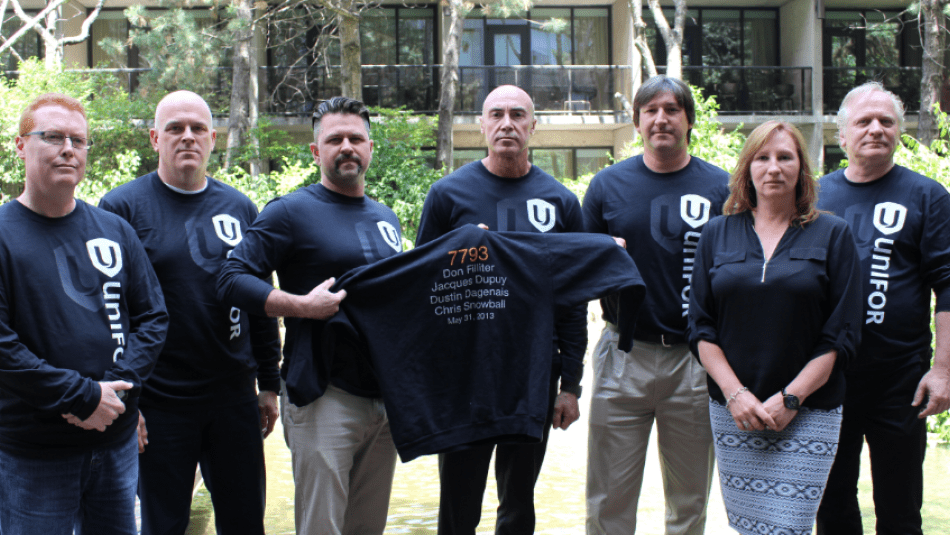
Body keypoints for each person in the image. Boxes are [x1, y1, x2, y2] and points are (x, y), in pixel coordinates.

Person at [99, 90, 281, 535]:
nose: (187, 138)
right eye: (175, 129)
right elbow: (109, 316)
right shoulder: (120, 209)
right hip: (159, 402)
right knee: (164, 525)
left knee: (244, 524)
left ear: (213, 139)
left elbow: (257, 300)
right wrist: (127, 401)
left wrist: (270, 385)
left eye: (198, 129)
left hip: (233, 398)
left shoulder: (240, 208)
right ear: (154, 139)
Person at [217, 96, 401, 535]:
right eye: (334, 139)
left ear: (370, 148)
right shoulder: (290, 211)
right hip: (324, 396)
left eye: (356, 138)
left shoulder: (385, 217)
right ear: (316, 152)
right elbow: (229, 278)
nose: (347, 147)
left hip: (385, 399)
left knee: (367, 529)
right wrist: (299, 305)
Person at [416, 84, 586, 535]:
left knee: (518, 505)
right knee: (458, 505)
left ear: (533, 126)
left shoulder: (562, 202)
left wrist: (570, 384)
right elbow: (423, 289)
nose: (506, 123)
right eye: (496, 114)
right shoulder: (447, 195)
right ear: (481, 126)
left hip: (533, 373)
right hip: (465, 373)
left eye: (517, 114)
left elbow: (571, 301)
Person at [0, 93, 168, 534]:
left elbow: (153, 317)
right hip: (34, 454)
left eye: (79, 140)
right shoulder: (2, 235)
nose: (68, 149)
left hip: (114, 444)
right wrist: (80, 397)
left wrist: (118, 397)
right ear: (21, 145)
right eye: (53, 137)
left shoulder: (114, 230)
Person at [687, 120, 863, 535]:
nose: (774, 168)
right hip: (735, 412)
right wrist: (736, 395)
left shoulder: (832, 234)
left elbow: (842, 333)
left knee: (790, 526)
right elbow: (700, 327)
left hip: (810, 411)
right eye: (762, 158)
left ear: (802, 169)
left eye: (785, 157)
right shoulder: (716, 233)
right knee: (747, 526)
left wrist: (791, 398)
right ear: (747, 168)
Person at [582, 75, 727, 535]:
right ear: (638, 122)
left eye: (671, 109)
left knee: (689, 503)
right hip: (623, 354)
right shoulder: (606, 186)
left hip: (696, 360)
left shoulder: (722, 188)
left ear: (688, 120)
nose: (661, 119)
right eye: (651, 111)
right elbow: (577, 271)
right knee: (608, 500)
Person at [815, 82, 950, 535]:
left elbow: (948, 286)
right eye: (864, 121)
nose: (876, 129)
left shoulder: (928, 197)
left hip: (901, 380)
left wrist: (943, 370)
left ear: (899, 131)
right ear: (842, 136)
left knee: (899, 509)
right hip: (827, 378)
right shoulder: (813, 198)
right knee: (831, 507)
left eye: (886, 121)